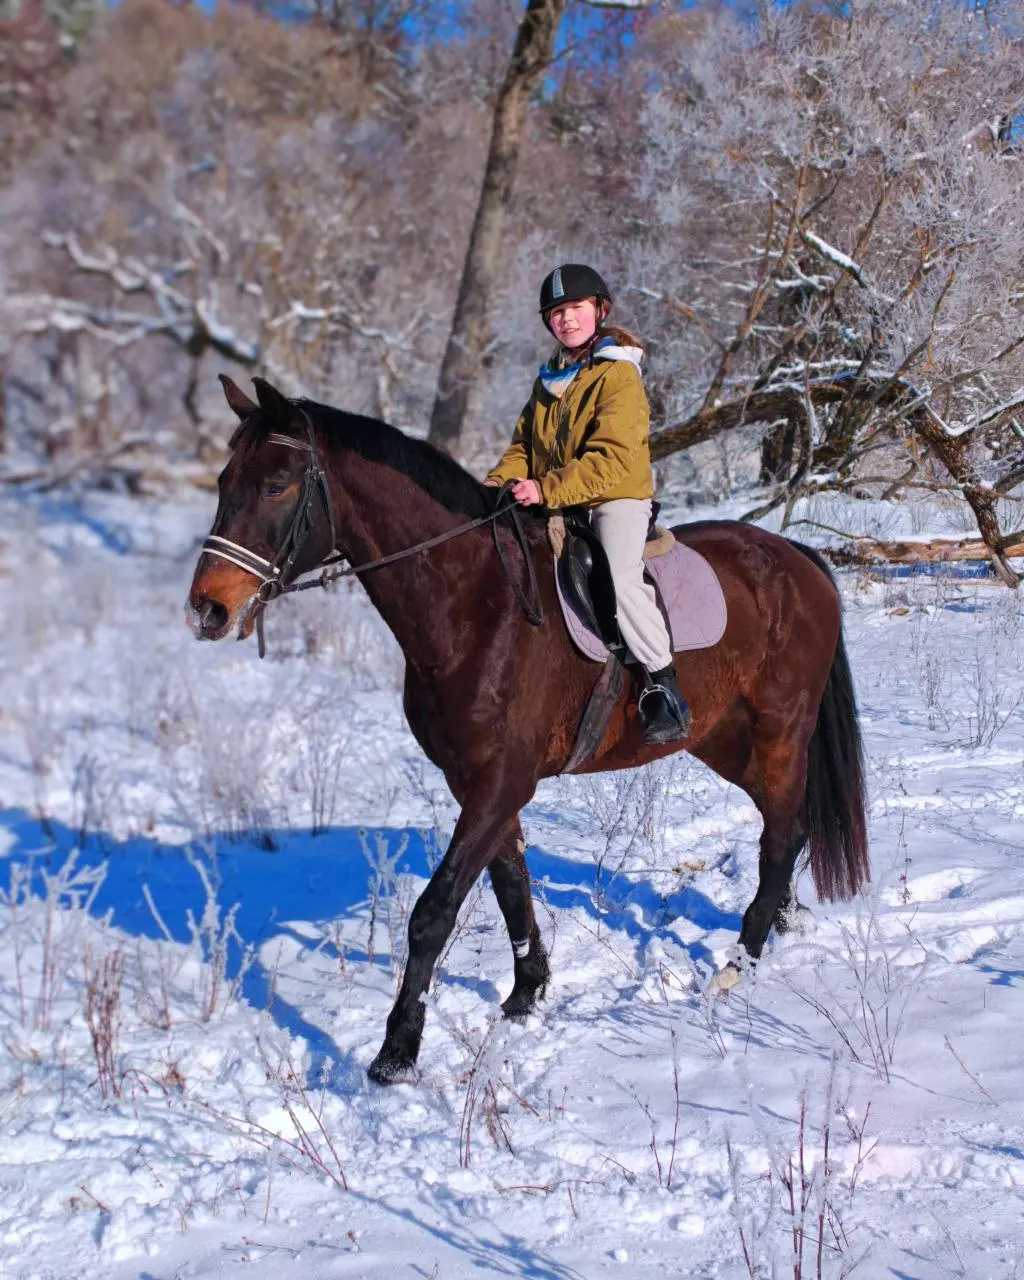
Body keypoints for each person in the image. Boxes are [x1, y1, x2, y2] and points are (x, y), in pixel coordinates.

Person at [485, 263, 689, 746]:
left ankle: (663, 682)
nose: (566, 319)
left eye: (575, 308)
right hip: (558, 497)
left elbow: (614, 460)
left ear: (599, 310)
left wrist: (546, 489)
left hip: (613, 497)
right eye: (556, 312)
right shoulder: (549, 379)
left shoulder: (617, 375)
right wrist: (496, 485)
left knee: (618, 575)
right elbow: (522, 449)